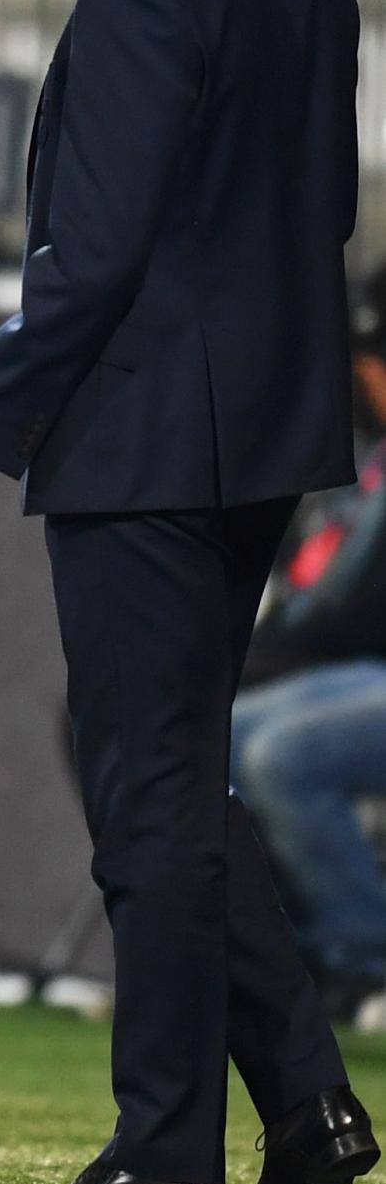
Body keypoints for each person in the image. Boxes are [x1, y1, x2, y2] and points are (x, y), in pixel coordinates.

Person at [0, 0, 375, 1184]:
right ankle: (301, 1096)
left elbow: (89, 255)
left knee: (145, 788)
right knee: (165, 767)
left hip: (144, 433)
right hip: (263, 437)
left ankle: (169, 1147)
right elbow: (320, 215)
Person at [229, 266, 386, 1025]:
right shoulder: (365, 460)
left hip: (363, 667)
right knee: (222, 741)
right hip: (355, 669)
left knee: (283, 755)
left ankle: (366, 963)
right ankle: (286, 963)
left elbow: (346, 612)